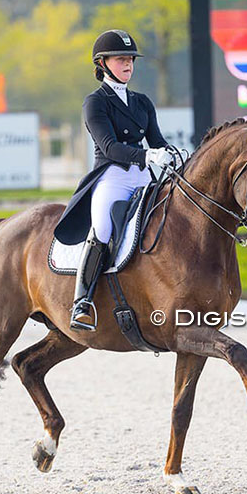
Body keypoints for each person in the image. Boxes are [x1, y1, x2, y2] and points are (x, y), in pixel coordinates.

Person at [53, 29, 174, 331]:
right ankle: (83, 302)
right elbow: (110, 147)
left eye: (131, 60)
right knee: (104, 228)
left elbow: (156, 140)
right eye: (121, 60)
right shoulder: (95, 102)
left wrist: (171, 153)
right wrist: (147, 157)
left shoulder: (142, 102)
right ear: (103, 63)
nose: (128, 65)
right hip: (112, 177)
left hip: (144, 178)